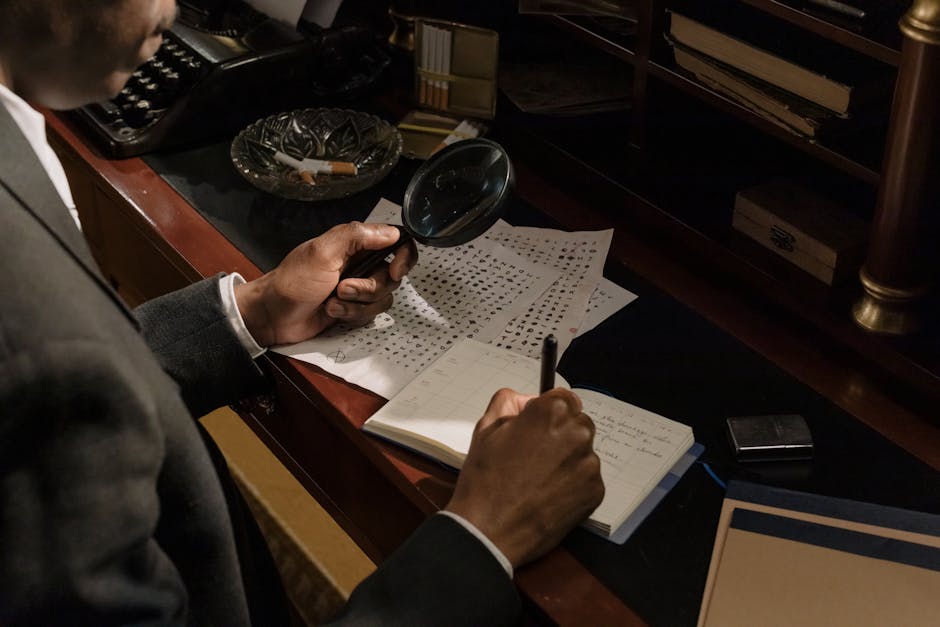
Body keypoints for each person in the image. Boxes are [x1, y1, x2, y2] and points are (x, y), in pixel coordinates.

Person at [0, 1, 605, 625]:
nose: (176, 4)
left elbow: (72, 384)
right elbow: (51, 372)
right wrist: (485, 534)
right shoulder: (36, 331)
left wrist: (254, 311)